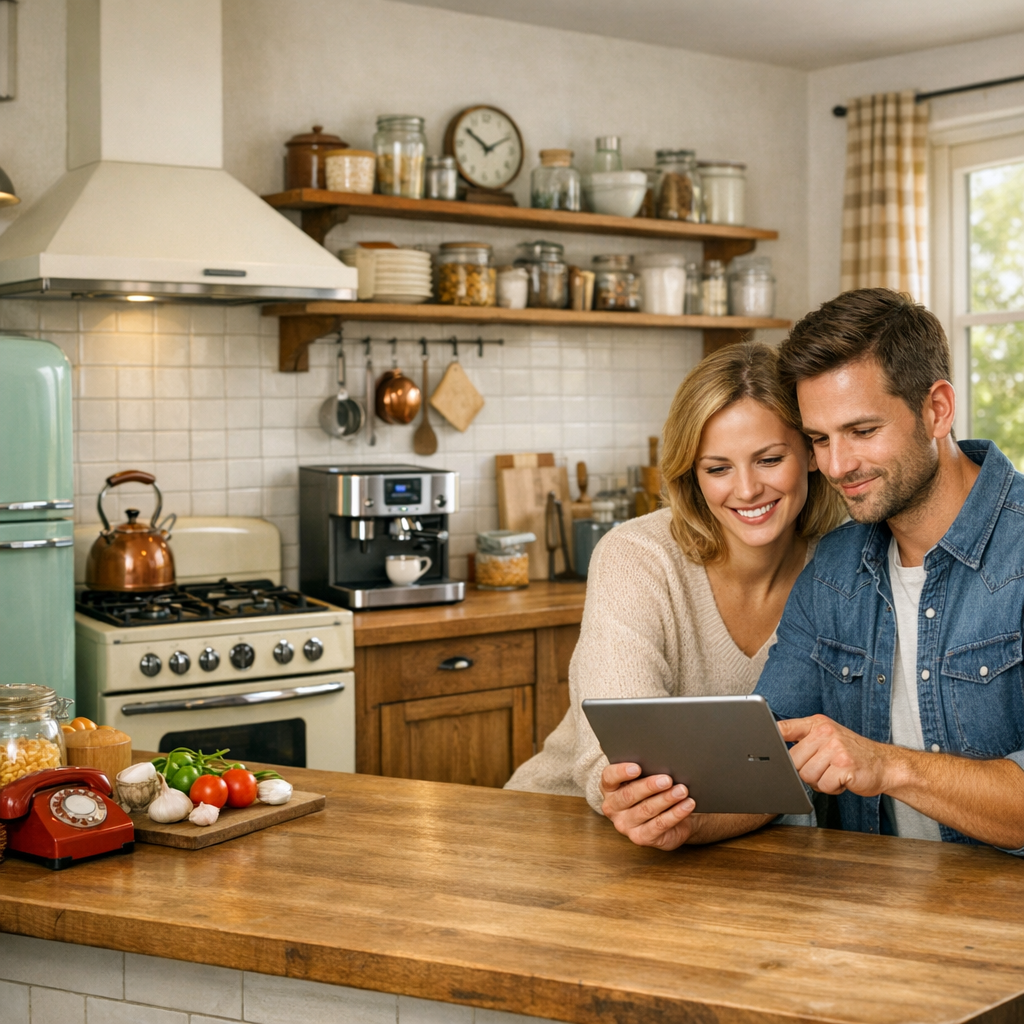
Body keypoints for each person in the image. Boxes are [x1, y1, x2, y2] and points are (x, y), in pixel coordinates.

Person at [604, 288, 1024, 854]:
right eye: (819, 439)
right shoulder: (834, 568)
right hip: (863, 912)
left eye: (863, 431)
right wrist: (680, 820)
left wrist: (890, 767)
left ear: (937, 409)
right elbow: (764, 769)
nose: (836, 465)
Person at [505, 341, 846, 814]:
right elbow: (618, 755)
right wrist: (633, 795)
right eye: (718, 468)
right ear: (692, 473)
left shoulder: (843, 565)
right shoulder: (637, 557)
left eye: (769, 460)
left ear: (811, 452)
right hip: (569, 824)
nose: (747, 489)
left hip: (729, 842)